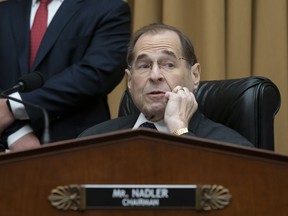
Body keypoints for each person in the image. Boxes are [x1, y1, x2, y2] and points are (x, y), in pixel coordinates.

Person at [79, 23, 253, 147]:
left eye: (169, 65)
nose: (155, 76)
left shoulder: (231, 147)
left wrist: (179, 130)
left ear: (195, 75)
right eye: (144, 66)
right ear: (130, 80)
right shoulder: (93, 141)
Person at [0, 0, 131, 151]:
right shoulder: (5, 11)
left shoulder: (109, 9)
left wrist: (15, 106)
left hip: (78, 147)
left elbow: (99, 72)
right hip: (6, 146)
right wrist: (16, 133)